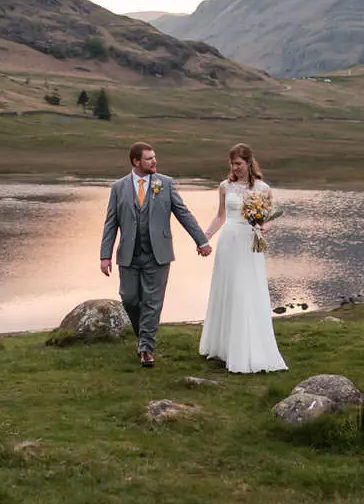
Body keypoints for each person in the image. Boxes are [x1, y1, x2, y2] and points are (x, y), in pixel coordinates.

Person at [100, 142, 211, 368]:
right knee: (129, 298)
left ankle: (146, 349)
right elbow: (111, 223)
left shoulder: (166, 184)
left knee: (152, 302)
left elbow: (183, 213)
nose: (154, 161)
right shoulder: (118, 187)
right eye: (149, 158)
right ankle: (144, 335)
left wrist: (201, 240)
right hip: (128, 255)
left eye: (154, 157)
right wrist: (105, 255)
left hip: (157, 254)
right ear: (136, 162)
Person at [197, 143, 287, 374]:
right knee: (228, 289)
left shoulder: (263, 188)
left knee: (247, 291)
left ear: (249, 163)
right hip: (228, 241)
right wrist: (204, 238)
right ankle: (224, 347)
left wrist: (262, 226)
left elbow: (266, 218)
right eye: (232, 163)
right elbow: (220, 217)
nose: (234, 168)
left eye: (238, 163)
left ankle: (250, 348)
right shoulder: (225, 187)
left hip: (249, 244)